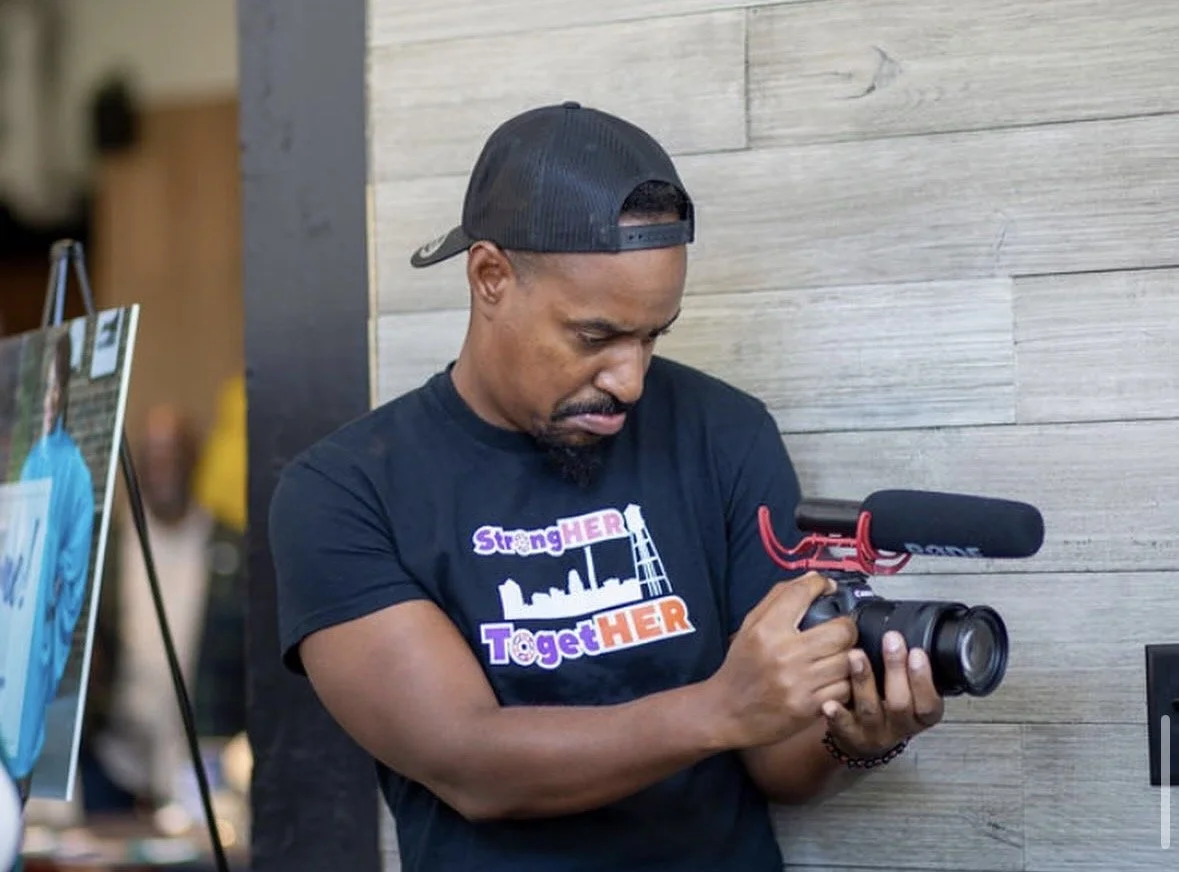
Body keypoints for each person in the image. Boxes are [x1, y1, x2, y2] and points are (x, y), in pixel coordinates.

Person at [267, 102, 946, 870]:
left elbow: (775, 761)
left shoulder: (724, 431)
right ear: (490, 276)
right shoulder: (344, 492)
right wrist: (718, 709)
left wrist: (853, 738)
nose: (629, 381)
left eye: (652, 336)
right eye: (595, 336)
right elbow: (471, 765)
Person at [80, 404, 247, 816]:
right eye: (151, 458)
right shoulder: (105, 546)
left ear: (194, 459)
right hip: (116, 760)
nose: (162, 470)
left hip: (203, 763)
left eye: (172, 455)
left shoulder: (233, 549)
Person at [8, 330, 94, 788]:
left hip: (40, 630)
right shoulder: (32, 462)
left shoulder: (73, 470)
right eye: (42, 387)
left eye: (54, 387)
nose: (48, 398)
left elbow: (72, 571)